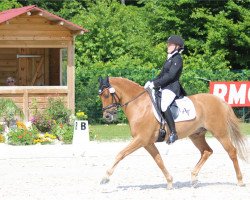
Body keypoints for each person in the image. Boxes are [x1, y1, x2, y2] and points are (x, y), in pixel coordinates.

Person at [144, 35, 186, 144]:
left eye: (170, 44)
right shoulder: (169, 59)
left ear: (177, 46)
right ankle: (160, 128)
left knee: (164, 104)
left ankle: (173, 133)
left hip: (172, 87)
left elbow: (171, 76)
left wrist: (156, 84)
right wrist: (152, 82)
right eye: (168, 44)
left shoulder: (177, 59)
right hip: (164, 87)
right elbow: (162, 74)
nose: (168, 46)